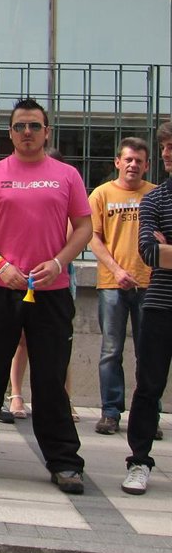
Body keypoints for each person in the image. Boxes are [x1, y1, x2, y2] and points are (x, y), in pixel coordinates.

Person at [0, 98, 92, 495]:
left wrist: (59, 263)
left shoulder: (67, 176)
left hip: (51, 292)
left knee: (50, 378)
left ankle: (64, 461)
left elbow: (83, 227)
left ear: (47, 132)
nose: (27, 132)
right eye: (20, 126)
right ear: (10, 134)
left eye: (34, 126)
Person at [90, 139, 157, 436]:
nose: (133, 165)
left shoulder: (156, 194)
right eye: (128, 159)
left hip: (150, 284)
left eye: (139, 161)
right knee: (110, 350)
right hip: (111, 284)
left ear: (147, 166)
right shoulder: (101, 194)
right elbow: (92, 237)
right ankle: (110, 412)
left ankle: (147, 415)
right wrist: (116, 270)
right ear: (117, 162)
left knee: (149, 353)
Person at [122, 122, 172, 494]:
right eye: (165, 147)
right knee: (148, 386)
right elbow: (150, 252)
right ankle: (139, 460)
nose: (167, 153)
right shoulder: (154, 199)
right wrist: (161, 248)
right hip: (159, 304)